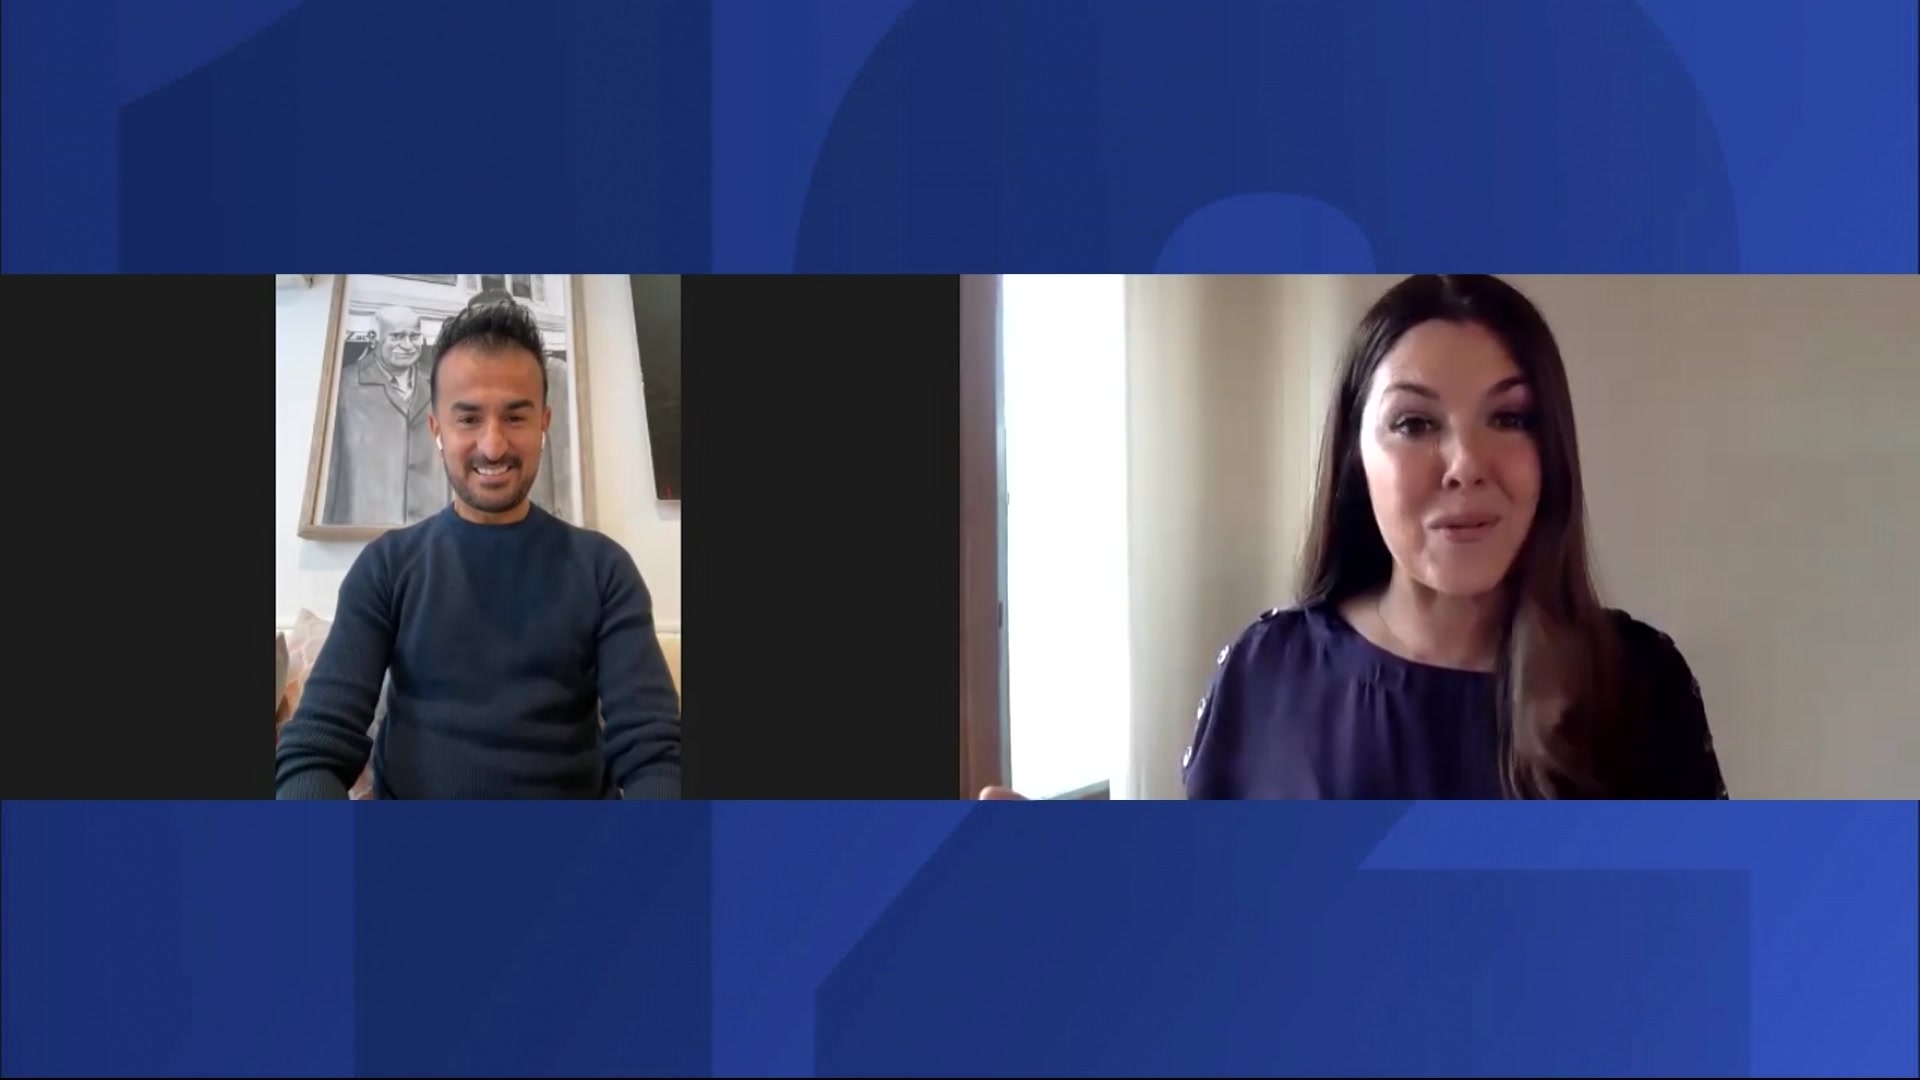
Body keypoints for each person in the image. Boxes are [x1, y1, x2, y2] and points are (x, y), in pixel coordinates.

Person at [983, 274, 1727, 801]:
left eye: (1509, 418)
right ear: (1355, 458)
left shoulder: (1640, 683)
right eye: (1415, 423)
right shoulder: (1266, 674)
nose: (1466, 465)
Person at [277, 294, 680, 799]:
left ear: (544, 424)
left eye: (515, 417)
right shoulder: (386, 567)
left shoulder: (604, 569)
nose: (493, 446)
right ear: (437, 429)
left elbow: (655, 753)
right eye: (468, 419)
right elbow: (314, 750)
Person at [323, 304, 447, 526]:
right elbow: (328, 468)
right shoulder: (343, 386)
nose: (407, 345)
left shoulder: (440, 384)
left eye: (414, 336)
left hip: (432, 527)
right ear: (373, 338)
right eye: (397, 336)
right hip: (361, 528)